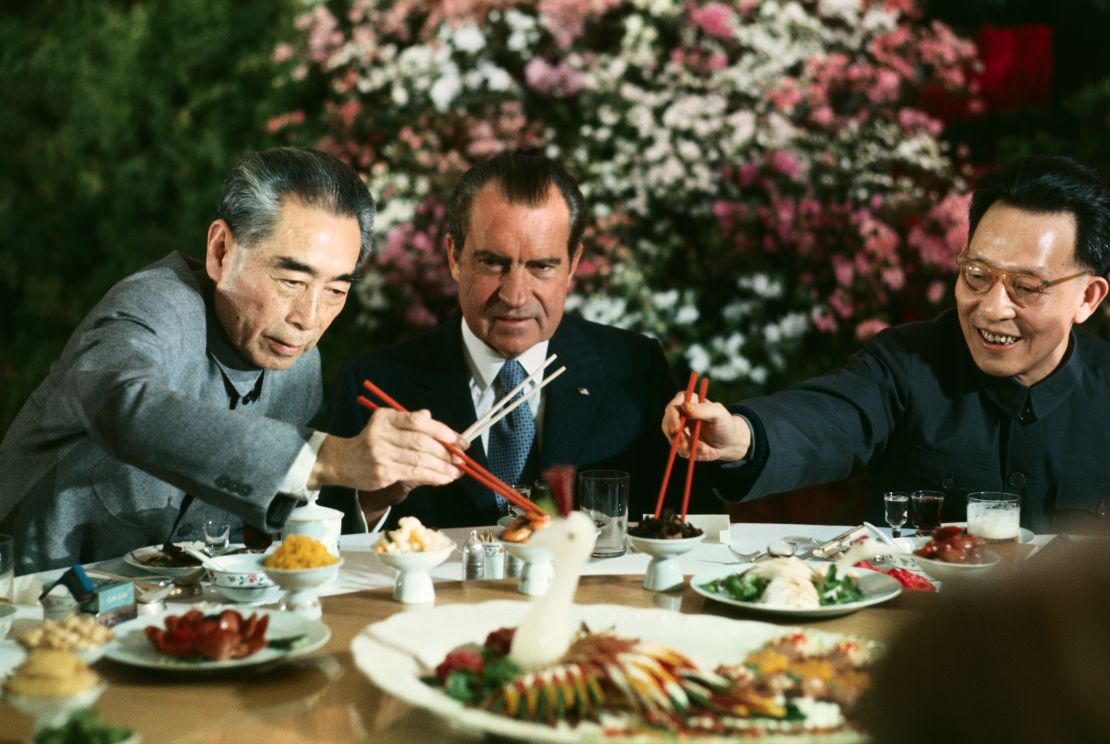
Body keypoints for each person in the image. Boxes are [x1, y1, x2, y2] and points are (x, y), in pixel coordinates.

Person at [0, 147, 463, 572]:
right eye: (290, 282)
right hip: (29, 591)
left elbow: (277, 538)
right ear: (221, 251)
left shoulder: (300, 366)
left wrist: (370, 496)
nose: (309, 318)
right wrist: (326, 456)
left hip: (169, 610)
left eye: (337, 290)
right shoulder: (152, 306)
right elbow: (123, 404)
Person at [663, 155, 1110, 534]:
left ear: (1087, 298)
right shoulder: (908, 359)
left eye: (1026, 287)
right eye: (977, 275)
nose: (992, 309)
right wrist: (740, 435)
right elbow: (831, 418)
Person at [324, 151, 716, 531]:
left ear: (573, 263)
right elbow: (321, 540)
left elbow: (690, 524)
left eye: (542, 266)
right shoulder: (373, 383)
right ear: (455, 257)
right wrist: (373, 500)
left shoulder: (634, 367)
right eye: (493, 263)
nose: (515, 296)